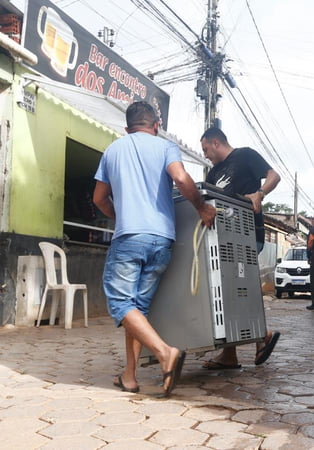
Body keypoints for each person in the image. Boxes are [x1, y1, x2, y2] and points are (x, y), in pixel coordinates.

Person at [93, 101, 216, 396]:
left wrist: (121, 216)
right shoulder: (165, 147)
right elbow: (181, 177)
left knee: (121, 304)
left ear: (127, 128)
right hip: (162, 240)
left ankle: (165, 353)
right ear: (156, 126)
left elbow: (98, 199)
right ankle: (130, 376)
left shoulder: (112, 150)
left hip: (129, 238)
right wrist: (201, 207)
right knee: (138, 308)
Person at [200, 127, 281, 370]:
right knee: (227, 289)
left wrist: (260, 193)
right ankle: (230, 354)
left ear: (216, 142)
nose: (205, 155)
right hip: (223, 236)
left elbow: (274, 176)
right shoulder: (213, 172)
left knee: (239, 289)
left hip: (247, 233)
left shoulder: (246, 155)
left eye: (205, 149)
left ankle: (262, 335)